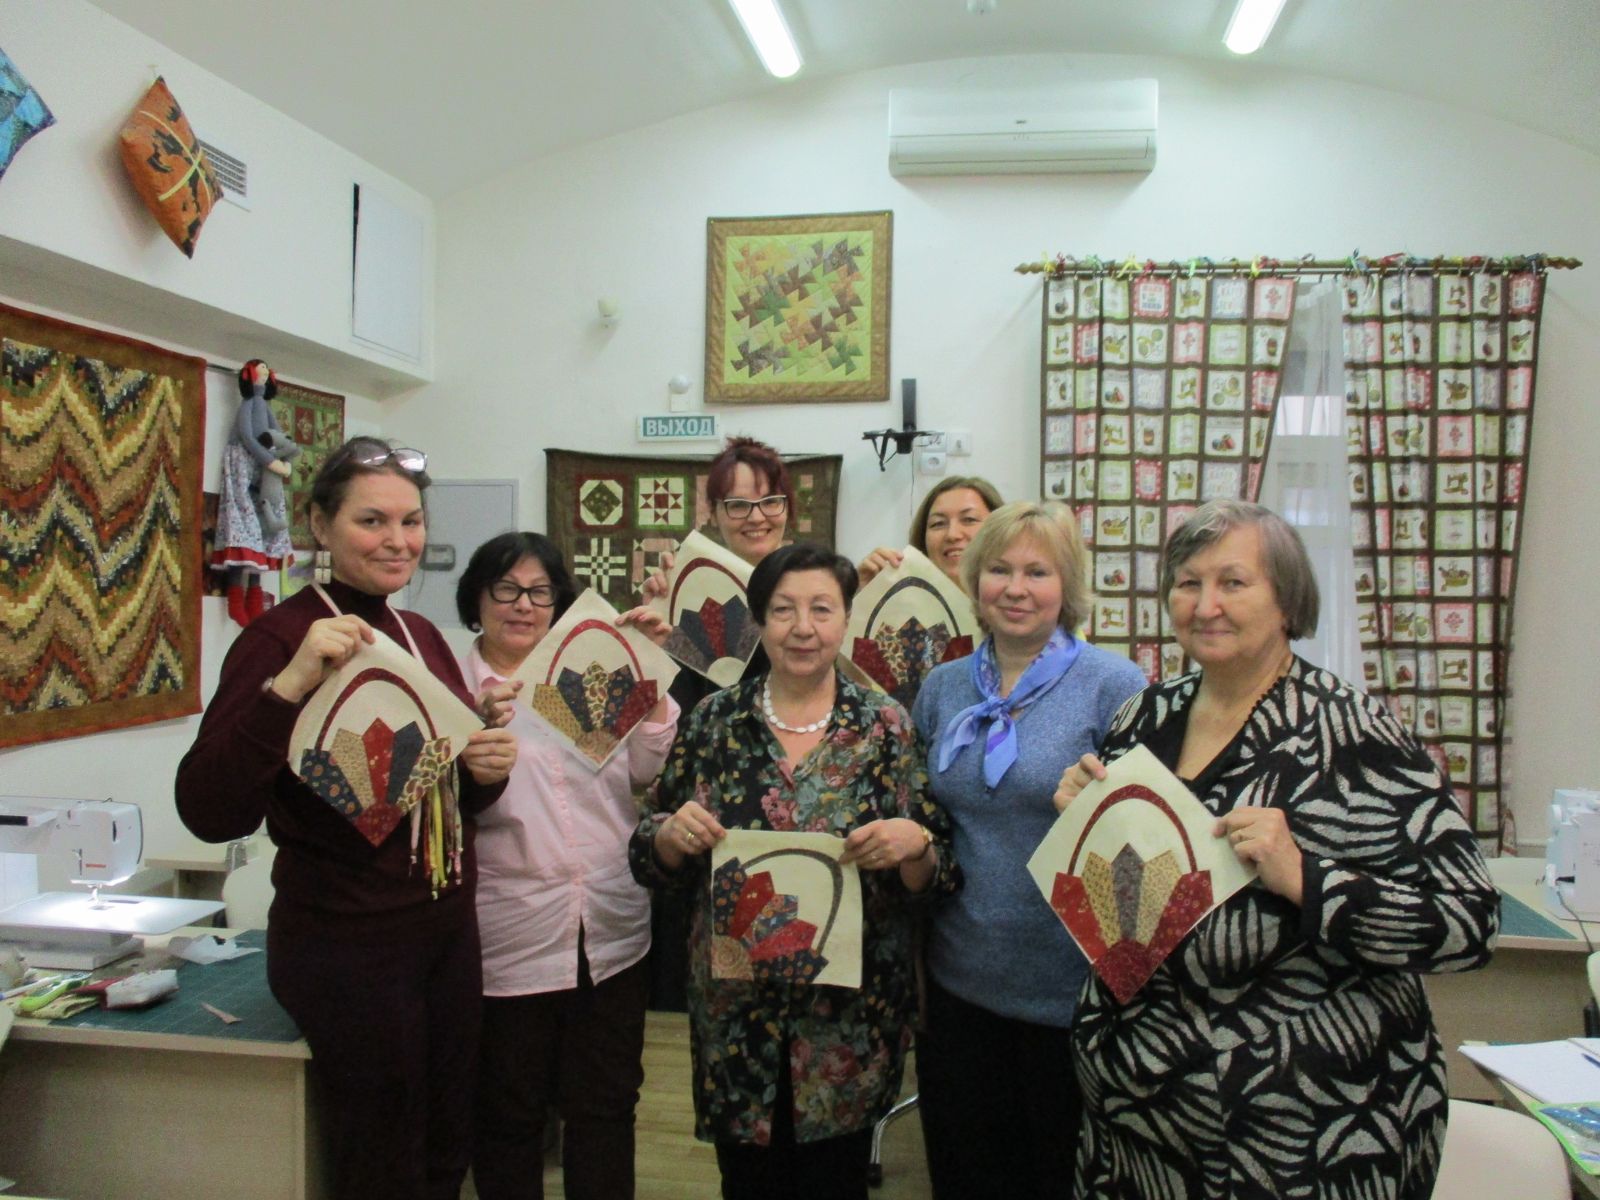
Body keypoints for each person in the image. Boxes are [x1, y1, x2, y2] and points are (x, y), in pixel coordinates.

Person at [1053, 499, 1499, 1200]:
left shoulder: (1351, 733)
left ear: (1287, 600)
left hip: (1299, 1128)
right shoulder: (1145, 715)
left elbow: (1468, 921)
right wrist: (1084, 818)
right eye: (1188, 583)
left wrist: (1306, 879)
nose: (1206, 605)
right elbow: (1126, 910)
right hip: (1138, 1120)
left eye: (1233, 583)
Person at [175, 437, 519, 1200]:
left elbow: (432, 802)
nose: (398, 541)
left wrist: (482, 771)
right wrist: (289, 685)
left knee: (446, 1146)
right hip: (349, 948)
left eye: (411, 521)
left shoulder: (419, 635)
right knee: (382, 1162)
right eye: (372, 521)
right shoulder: (280, 638)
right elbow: (208, 809)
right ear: (319, 525)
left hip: (444, 934)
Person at [629, 543, 960, 1200]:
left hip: (848, 1022)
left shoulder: (885, 726)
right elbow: (647, 854)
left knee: (836, 1184)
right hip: (736, 1019)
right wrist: (668, 837)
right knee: (747, 1184)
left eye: (821, 609)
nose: (802, 627)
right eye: (783, 610)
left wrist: (914, 845)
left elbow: (940, 872)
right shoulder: (715, 722)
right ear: (758, 620)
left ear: (846, 620)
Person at [911, 501, 1146, 1200]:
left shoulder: (1114, 685)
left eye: (1037, 572)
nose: (1016, 588)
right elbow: (927, 819)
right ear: (974, 579)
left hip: (1069, 992)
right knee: (965, 1175)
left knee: (1053, 1177)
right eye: (1000, 570)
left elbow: (1143, 844)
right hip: (959, 983)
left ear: (1066, 585)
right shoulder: (943, 686)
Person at [456, 532, 679, 1200]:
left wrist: (648, 677)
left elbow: (646, 769)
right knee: (508, 1113)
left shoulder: (588, 670)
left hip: (609, 926)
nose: (523, 605)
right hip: (511, 932)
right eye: (506, 589)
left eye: (540, 591)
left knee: (605, 1105)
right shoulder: (451, 688)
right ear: (476, 598)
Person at [642, 435, 794, 1009]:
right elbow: (666, 714)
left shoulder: (812, 584)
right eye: (737, 504)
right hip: (715, 818)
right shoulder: (688, 593)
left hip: (801, 809)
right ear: (713, 513)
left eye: (769, 501)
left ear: (787, 507)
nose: (756, 517)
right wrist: (659, 625)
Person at [856, 475, 1003, 587]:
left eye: (969, 519)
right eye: (938, 523)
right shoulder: (904, 606)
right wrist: (865, 595)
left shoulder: (1013, 604)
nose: (952, 535)